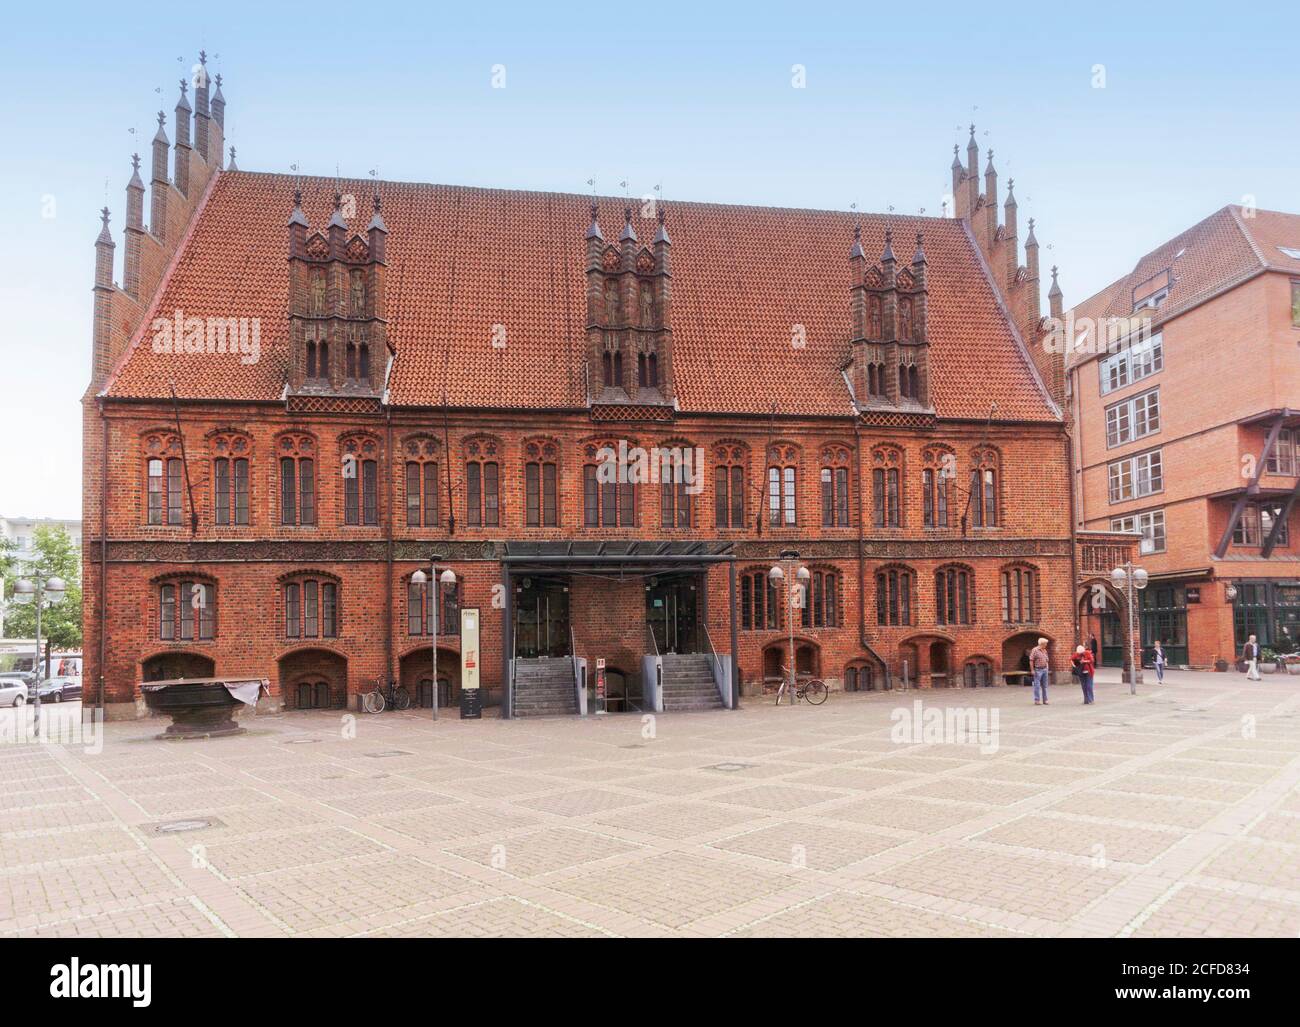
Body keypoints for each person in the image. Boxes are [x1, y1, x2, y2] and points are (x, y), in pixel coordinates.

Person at [1028, 637, 1050, 705]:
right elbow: (1031, 660)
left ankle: (1045, 700)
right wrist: (1032, 670)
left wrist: (1047, 667)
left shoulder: (1045, 650)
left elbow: (1047, 660)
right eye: (1045, 643)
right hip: (1038, 670)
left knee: (1045, 685)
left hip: (1045, 669)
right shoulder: (1035, 650)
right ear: (1042, 643)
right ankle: (1037, 700)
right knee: (1037, 685)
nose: (1046, 645)